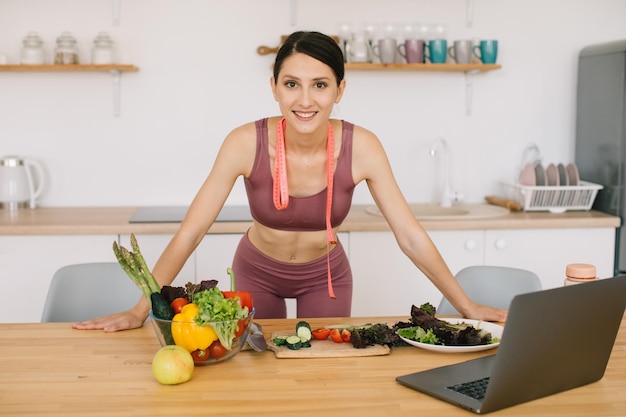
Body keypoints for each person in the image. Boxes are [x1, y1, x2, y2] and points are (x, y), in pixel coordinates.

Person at [73, 31, 507, 332]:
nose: (305, 99)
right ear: (274, 88)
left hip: (326, 277)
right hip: (256, 271)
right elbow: (191, 232)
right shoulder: (245, 142)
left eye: (320, 84)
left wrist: (466, 306)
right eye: (292, 84)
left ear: (339, 90)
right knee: (260, 375)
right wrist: (140, 309)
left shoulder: (364, 147)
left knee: (323, 376)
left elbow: (410, 236)